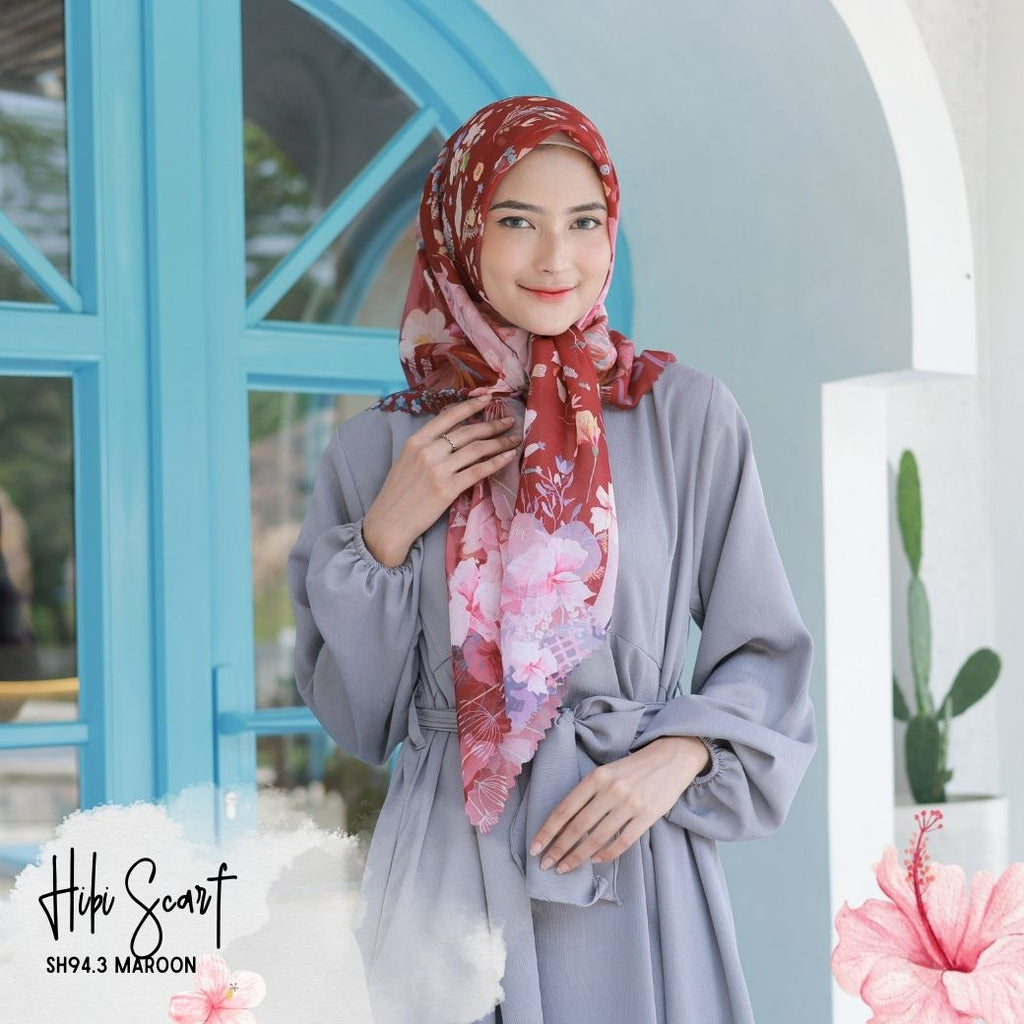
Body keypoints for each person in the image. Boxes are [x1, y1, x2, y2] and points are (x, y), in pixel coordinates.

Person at [287, 95, 816, 1024]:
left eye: (583, 223)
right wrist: (385, 536)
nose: (555, 258)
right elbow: (357, 716)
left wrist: (681, 753)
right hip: (448, 875)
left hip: (628, 852)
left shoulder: (683, 417)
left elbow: (766, 653)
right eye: (517, 221)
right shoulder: (381, 451)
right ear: (460, 232)